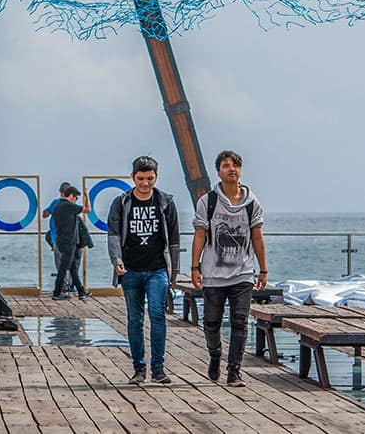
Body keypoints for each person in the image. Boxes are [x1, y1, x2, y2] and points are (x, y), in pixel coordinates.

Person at [190, 150, 268, 388]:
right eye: (226, 165)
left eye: (235, 165)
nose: (231, 169)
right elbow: (200, 235)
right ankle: (215, 354)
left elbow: (257, 237)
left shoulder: (252, 203)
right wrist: (195, 267)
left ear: (240, 170)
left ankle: (234, 370)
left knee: (239, 322)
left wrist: (263, 270)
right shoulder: (208, 202)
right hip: (213, 273)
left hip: (243, 273)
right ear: (219, 171)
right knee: (211, 323)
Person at [107, 156, 180, 385]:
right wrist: (116, 259)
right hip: (130, 270)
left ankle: (158, 368)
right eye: (141, 179)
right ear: (133, 177)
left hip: (157, 268)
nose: (145, 183)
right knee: (134, 319)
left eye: (150, 178)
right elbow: (113, 234)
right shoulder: (121, 203)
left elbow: (175, 239)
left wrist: (174, 271)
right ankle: (139, 368)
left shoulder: (166, 203)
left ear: (156, 177)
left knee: (157, 314)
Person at [51, 185, 92, 301]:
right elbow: (88, 209)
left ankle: (81, 292)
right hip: (69, 241)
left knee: (73, 267)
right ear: (71, 196)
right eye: (76, 198)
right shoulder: (68, 205)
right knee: (64, 267)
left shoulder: (58, 206)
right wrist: (87, 196)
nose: (76, 200)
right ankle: (57, 292)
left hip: (62, 240)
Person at [43, 182, 73, 292]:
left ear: (61, 192)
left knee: (60, 264)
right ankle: (69, 285)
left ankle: (64, 288)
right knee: (69, 264)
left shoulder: (57, 203)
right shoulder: (72, 205)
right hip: (70, 239)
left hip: (58, 239)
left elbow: (45, 214)